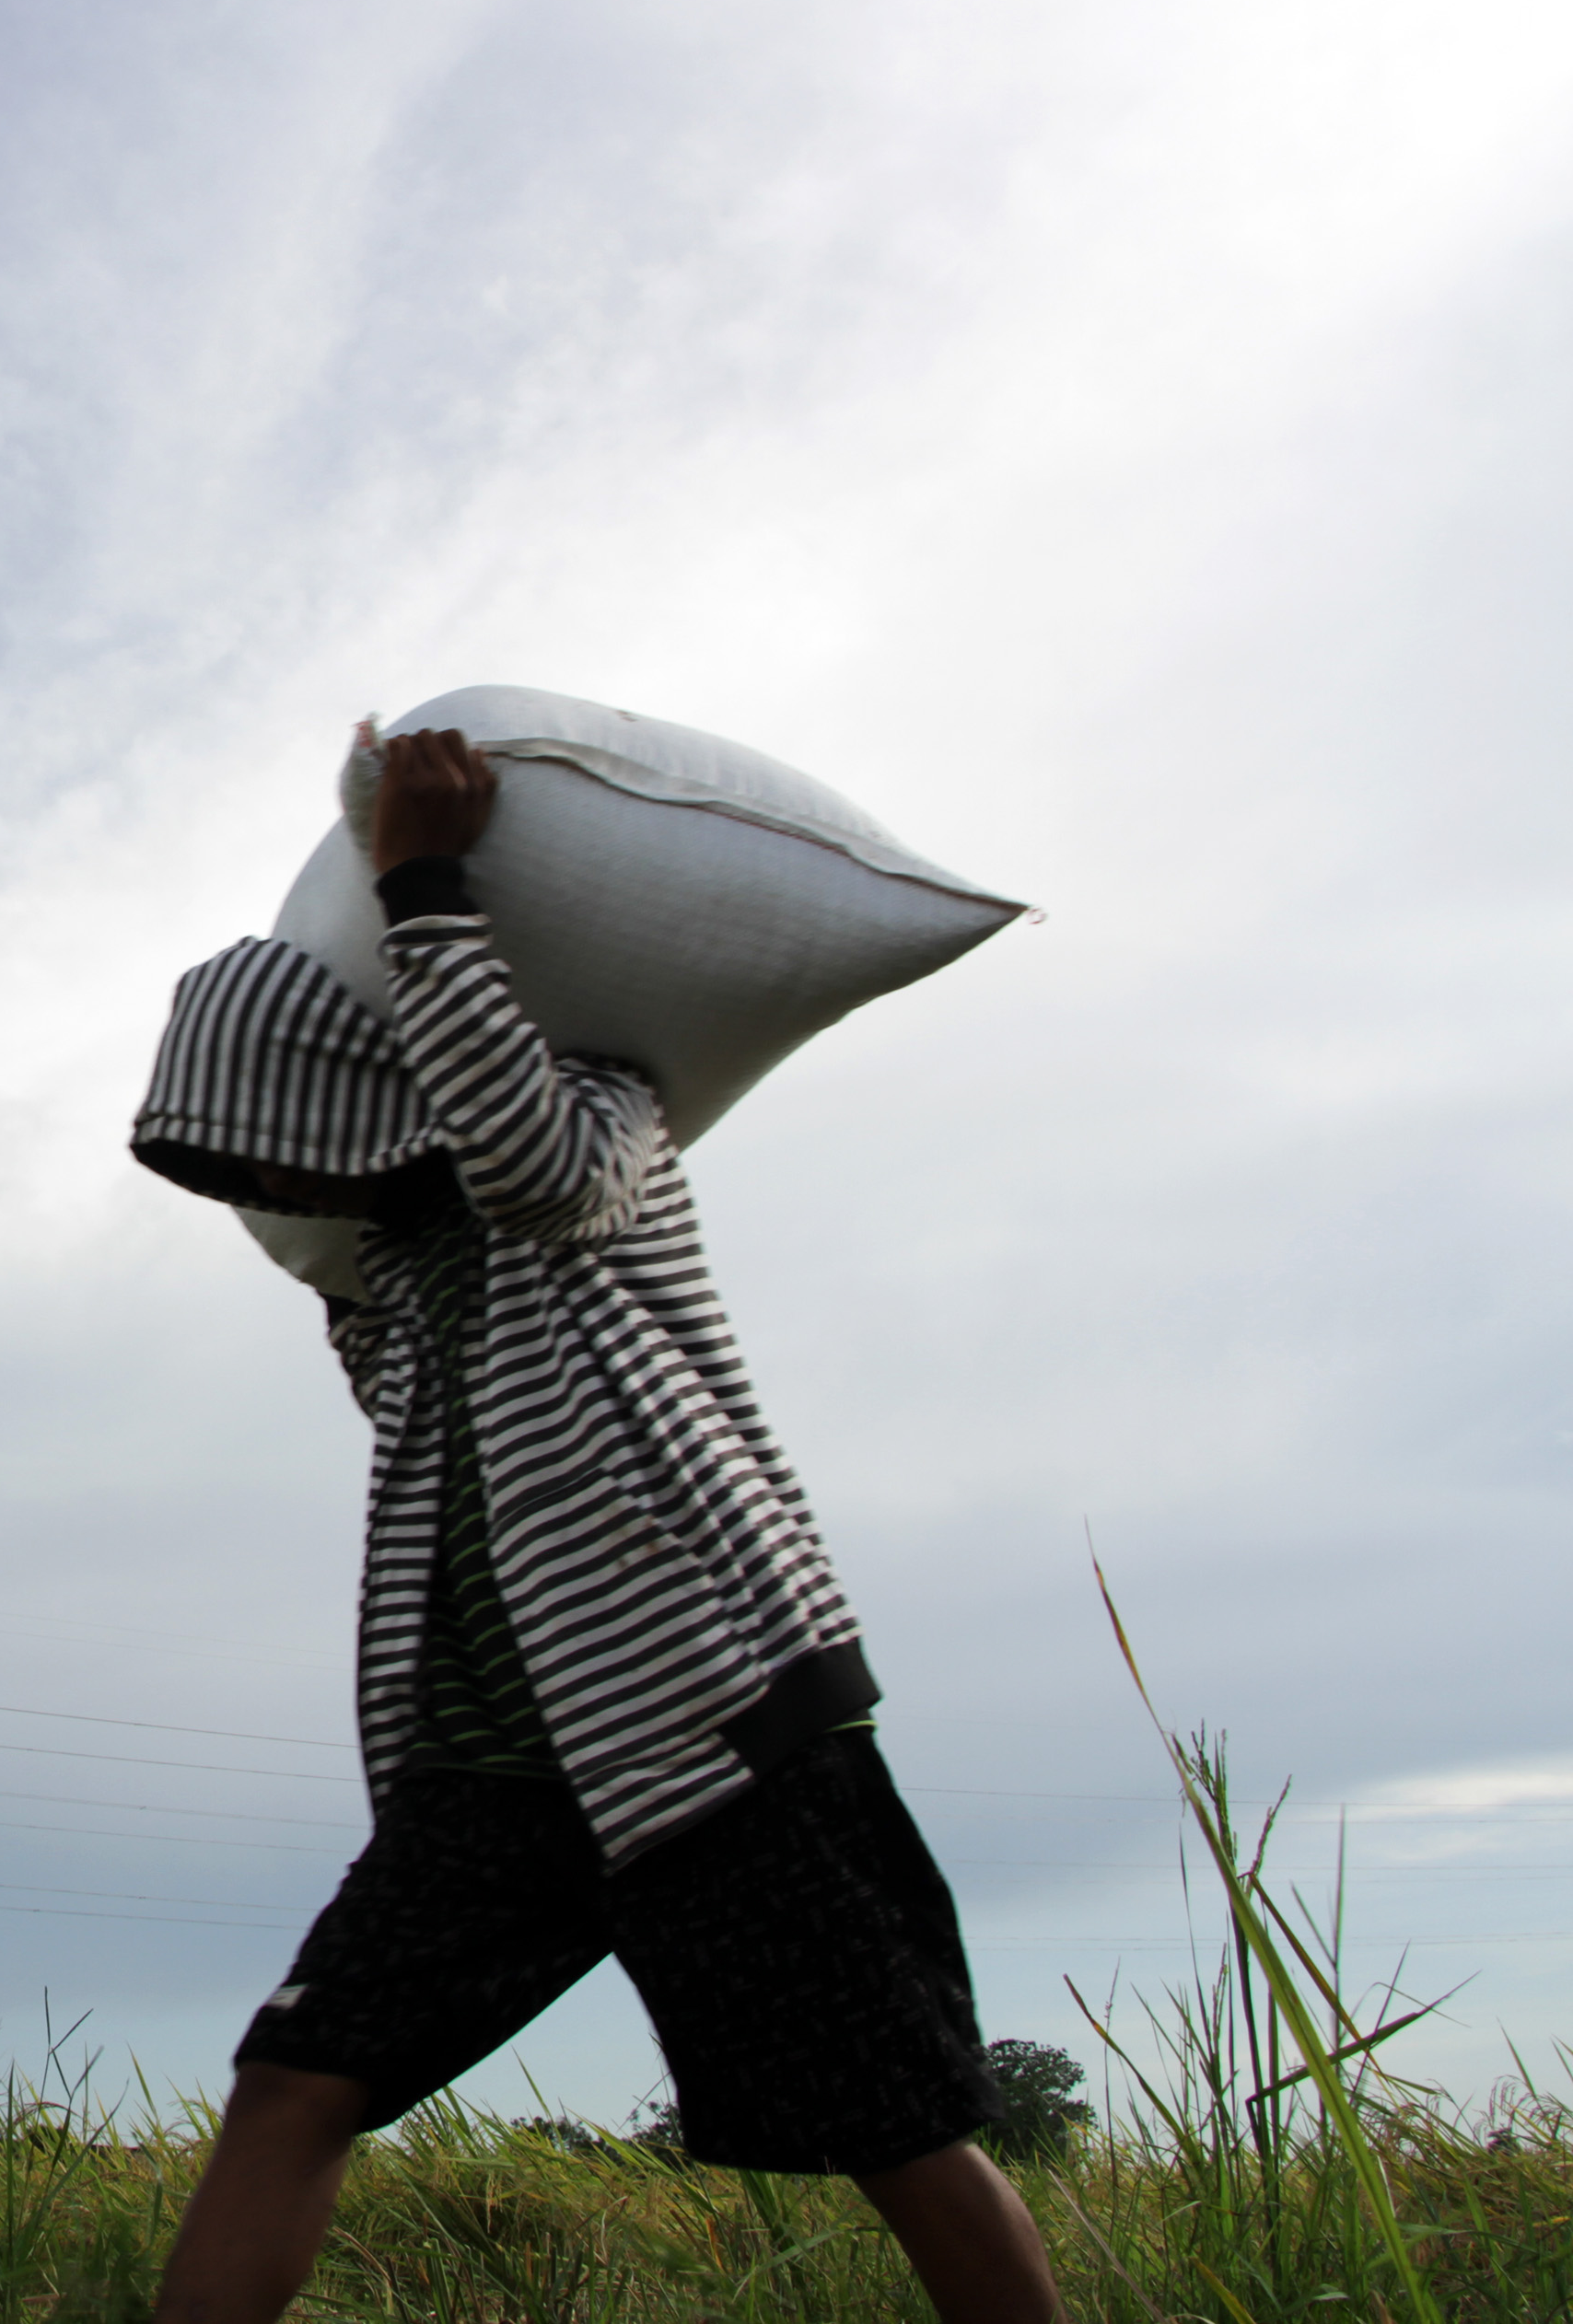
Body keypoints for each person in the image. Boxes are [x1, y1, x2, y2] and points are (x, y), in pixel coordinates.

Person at [124, 728, 1066, 2324]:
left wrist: (424, 886)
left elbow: (535, 1173)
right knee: (291, 2086)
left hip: (706, 1730)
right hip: (489, 1776)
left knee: (896, 2123)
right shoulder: (387, 1282)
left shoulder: (607, 1122)